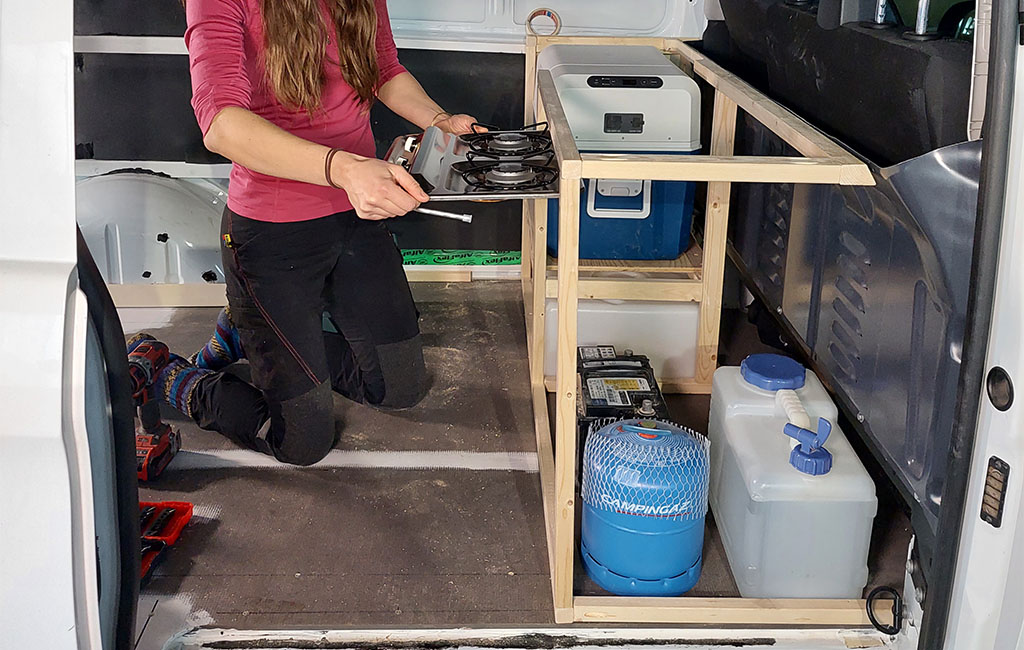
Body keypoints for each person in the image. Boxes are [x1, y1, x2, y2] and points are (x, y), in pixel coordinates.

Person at [128, 0, 480, 466]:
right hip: (271, 235)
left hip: (357, 218)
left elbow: (383, 68)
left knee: (400, 389)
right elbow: (221, 124)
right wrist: (344, 168)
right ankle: (175, 377)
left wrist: (439, 123)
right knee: (302, 442)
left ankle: (244, 336)